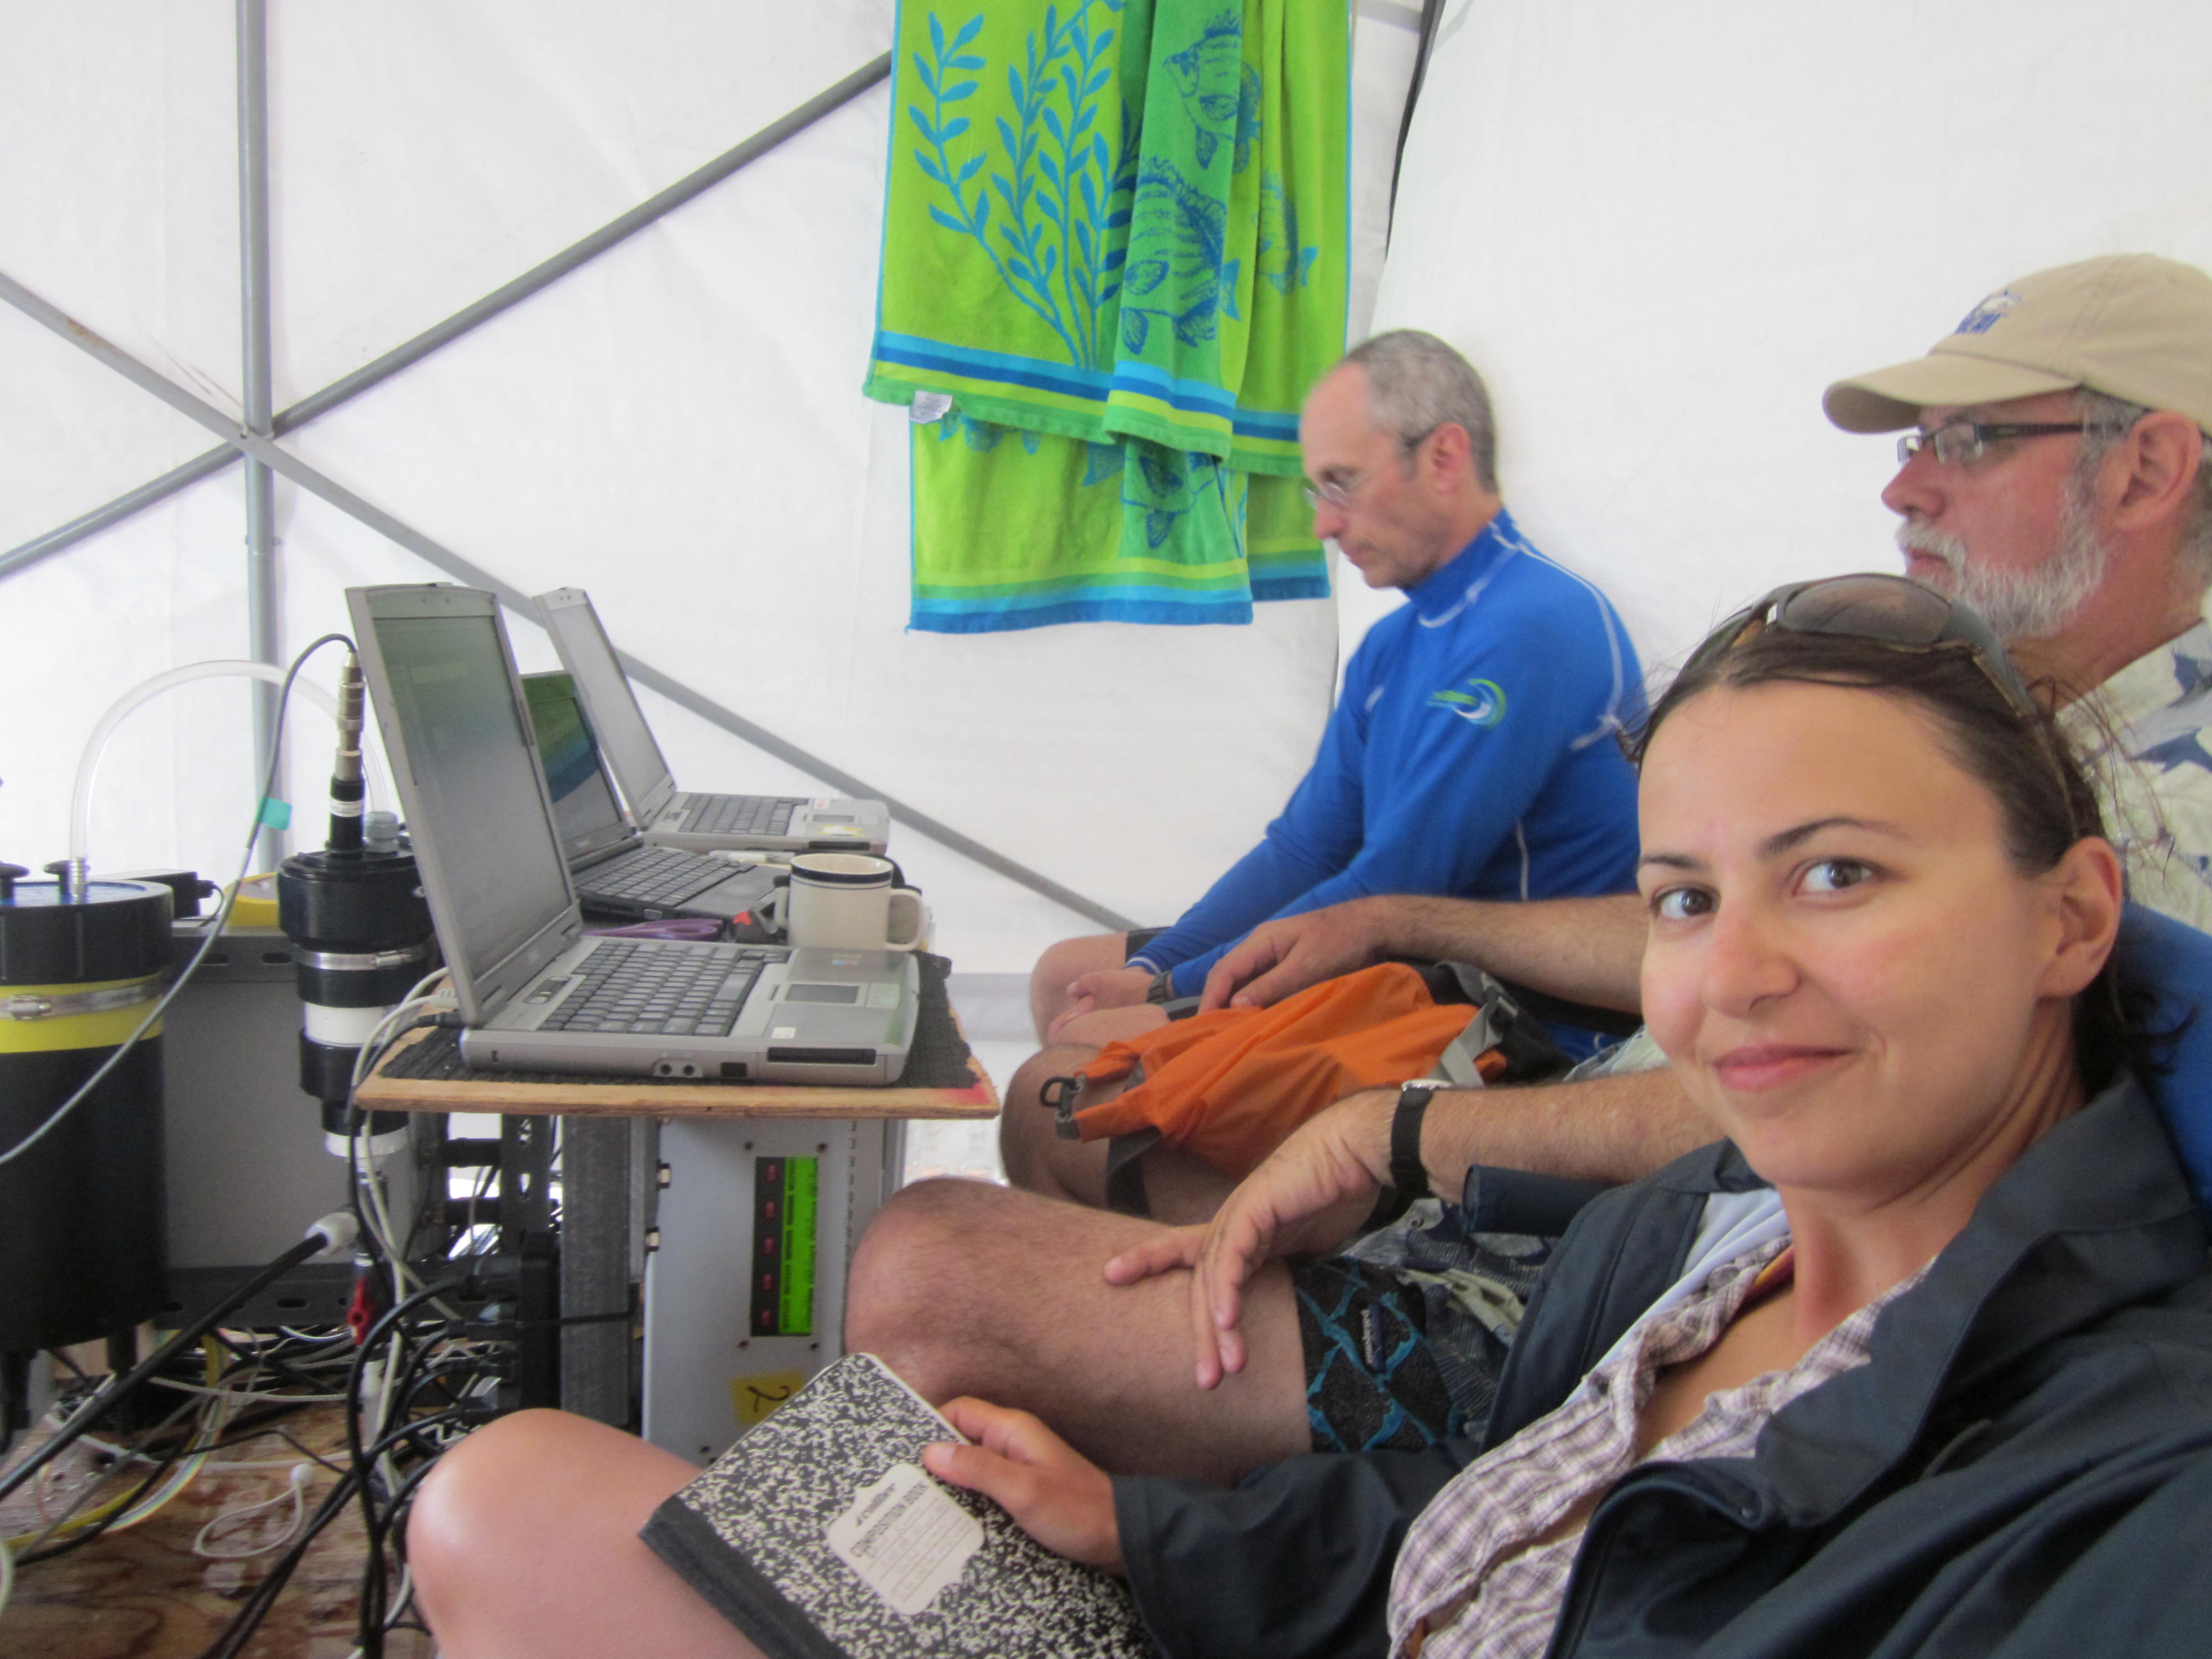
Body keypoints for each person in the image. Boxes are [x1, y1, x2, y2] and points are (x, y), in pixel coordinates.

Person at [405, 576, 2212, 1659]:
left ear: (2073, 920)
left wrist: (1392, 1123)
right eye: (1682, 898)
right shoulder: (1695, 1242)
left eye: (1836, 876)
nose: (1731, 976)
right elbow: (1492, 1511)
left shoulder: (2124, 1492)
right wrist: (1144, 1531)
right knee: (506, 1498)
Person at [1177, 250, 2212, 1213]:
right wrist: (1400, 924)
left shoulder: (2175, 806)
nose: (1903, 489)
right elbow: (1719, 930)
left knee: (1123, 1173)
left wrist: (1403, 1133)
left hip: (1648, 1258)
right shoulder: (1992, 716)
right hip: (1590, 1178)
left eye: (1968, 442)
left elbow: (1842, 1096)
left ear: (2147, 471)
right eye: (1916, 442)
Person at [1009, 328, 1644, 1208]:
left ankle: (1217, 1258)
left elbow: (1400, 883)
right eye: (1318, 490)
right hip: (1404, 960)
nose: (1323, 524)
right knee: (1062, 975)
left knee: (1068, 1078)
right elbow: (1305, 848)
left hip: (1523, 1025)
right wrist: (1163, 975)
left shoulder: (1532, 625)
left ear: (1445, 457)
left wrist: (1173, 994)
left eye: (1342, 483)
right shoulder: (1396, 643)